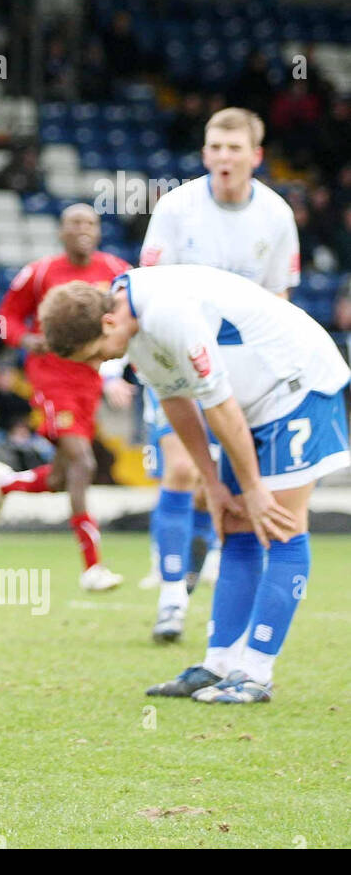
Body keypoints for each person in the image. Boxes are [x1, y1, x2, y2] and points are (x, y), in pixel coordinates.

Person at [41, 267, 349, 703]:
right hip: (251, 404)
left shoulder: (167, 312)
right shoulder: (130, 324)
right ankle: (219, 665)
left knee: (279, 525)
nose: (99, 365)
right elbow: (177, 404)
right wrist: (214, 486)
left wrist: (254, 488)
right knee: (234, 524)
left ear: (108, 323)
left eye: (94, 354)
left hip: (296, 385)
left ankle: (256, 673)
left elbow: (218, 404)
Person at [136, 107, 299, 641]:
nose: (224, 157)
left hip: (244, 371)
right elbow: (151, 288)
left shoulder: (276, 216)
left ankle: (203, 578)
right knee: (183, 472)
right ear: (204, 153)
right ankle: (169, 599)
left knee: (221, 487)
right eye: (215, 147)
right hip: (178, 361)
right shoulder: (178, 208)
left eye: (235, 148)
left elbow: (279, 301)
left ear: (255, 156)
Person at [0, 204, 131, 591]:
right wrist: (26, 339)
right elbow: (4, 319)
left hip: (91, 381)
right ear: (61, 232)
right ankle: (92, 567)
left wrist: (117, 372)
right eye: (74, 223)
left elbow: (132, 321)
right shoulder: (41, 272)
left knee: (63, 477)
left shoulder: (117, 272)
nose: (82, 229)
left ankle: (7, 484)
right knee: (83, 461)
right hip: (52, 379)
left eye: (90, 223)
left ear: (99, 232)